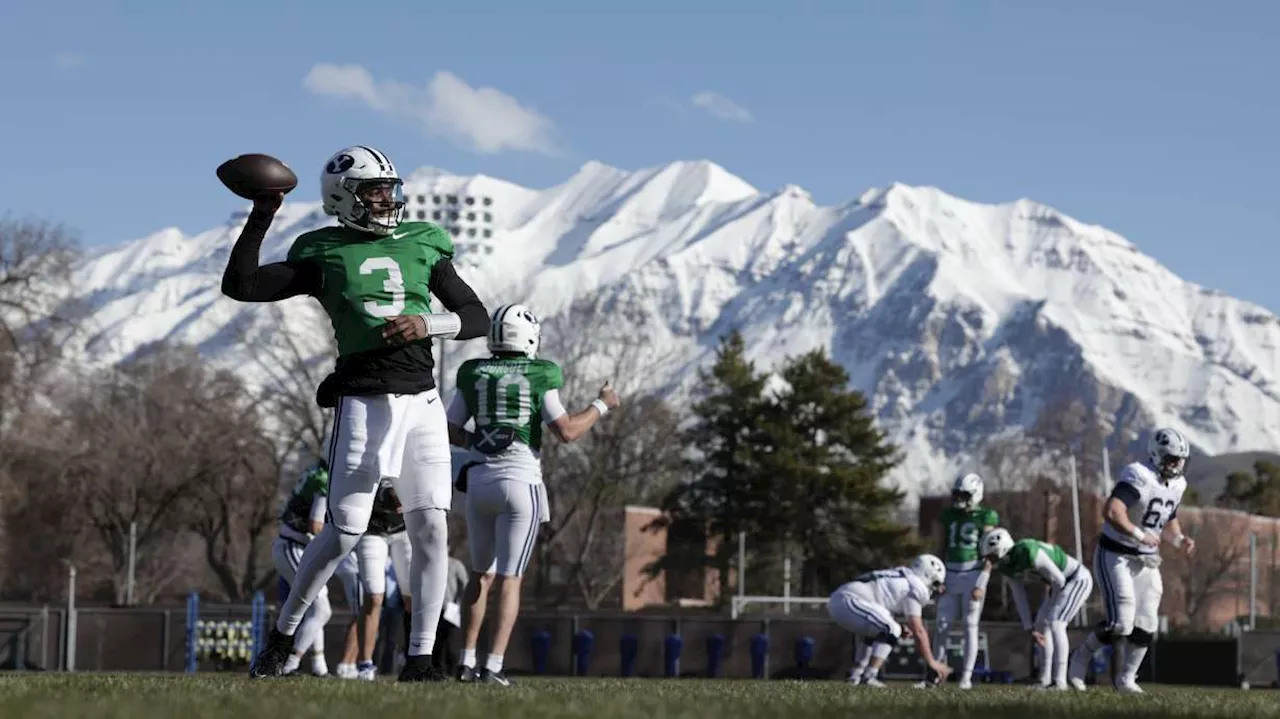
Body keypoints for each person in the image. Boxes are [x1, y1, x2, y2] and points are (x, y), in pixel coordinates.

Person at [224, 145, 490, 682]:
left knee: (432, 530)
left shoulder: (424, 242)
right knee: (344, 531)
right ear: (344, 198)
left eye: (390, 188)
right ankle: (283, 637)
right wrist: (262, 213)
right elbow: (242, 286)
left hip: (423, 403)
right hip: (364, 402)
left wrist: (428, 325)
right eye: (375, 190)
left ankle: (420, 660)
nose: (387, 198)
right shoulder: (322, 251)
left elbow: (475, 316)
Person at [446, 303, 619, 685]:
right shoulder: (541, 371)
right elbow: (568, 431)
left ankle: (465, 663)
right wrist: (602, 405)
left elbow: (450, 428)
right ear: (527, 336)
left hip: (479, 482)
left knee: (480, 576)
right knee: (510, 578)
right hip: (519, 481)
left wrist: (481, 438)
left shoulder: (473, 371)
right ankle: (492, 666)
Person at [1067, 427, 1195, 693]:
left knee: (1147, 622)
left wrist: (1180, 539)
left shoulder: (1178, 484)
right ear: (1157, 455)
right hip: (1116, 554)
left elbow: (1166, 516)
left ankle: (1127, 679)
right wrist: (1138, 534)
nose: (1177, 464)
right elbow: (1112, 510)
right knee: (1121, 623)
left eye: (1180, 459)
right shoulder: (1139, 475)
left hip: (1146, 561)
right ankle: (1080, 657)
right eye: (1172, 458)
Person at [978, 528, 1094, 690]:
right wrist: (1029, 627)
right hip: (1058, 584)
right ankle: (1044, 679)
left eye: (991, 556)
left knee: (1056, 623)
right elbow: (1019, 596)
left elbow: (1059, 580)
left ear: (1001, 549)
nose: (989, 562)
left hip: (1075, 579)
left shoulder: (1027, 550)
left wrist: (1054, 606)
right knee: (1040, 625)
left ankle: (1060, 681)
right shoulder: (1008, 566)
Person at [829, 554, 953, 688]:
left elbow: (880, 602)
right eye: (935, 583)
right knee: (891, 629)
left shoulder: (902, 577)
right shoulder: (914, 586)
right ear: (928, 575)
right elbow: (918, 630)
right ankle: (869, 676)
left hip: (843, 599)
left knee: (879, 630)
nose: (935, 589)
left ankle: (856, 675)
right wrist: (932, 662)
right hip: (850, 600)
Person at [930, 473, 999, 689]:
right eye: (957, 494)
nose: (959, 499)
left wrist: (982, 583)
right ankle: (937, 674)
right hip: (949, 574)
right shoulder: (949, 515)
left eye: (964, 495)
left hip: (973, 573)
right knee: (942, 625)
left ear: (976, 495)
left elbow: (991, 552)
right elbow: (940, 546)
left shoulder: (987, 516)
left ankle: (966, 677)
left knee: (970, 625)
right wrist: (936, 576)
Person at [272, 460, 333, 677]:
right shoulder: (325, 479)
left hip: (297, 546)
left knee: (315, 609)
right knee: (321, 609)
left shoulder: (316, 471)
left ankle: (318, 667)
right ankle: (288, 663)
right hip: (294, 546)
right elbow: (315, 526)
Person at [353, 479, 412, 680]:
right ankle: (365, 664)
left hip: (404, 529)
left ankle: (415, 658)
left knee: (413, 597)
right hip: (372, 528)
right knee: (374, 596)